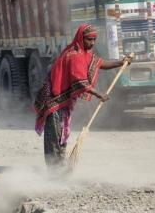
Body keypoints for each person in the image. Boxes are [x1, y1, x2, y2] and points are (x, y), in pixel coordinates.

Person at [34, 23, 132, 166]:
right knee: (54, 136)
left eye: (94, 40)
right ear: (81, 38)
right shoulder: (74, 55)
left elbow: (99, 63)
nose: (92, 43)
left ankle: (59, 166)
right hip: (54, 99)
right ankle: (54, 169)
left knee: (61, 135)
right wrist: (99, 94)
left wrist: (121, 62)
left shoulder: (84, 53)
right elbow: (80, 81)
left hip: (61, 100)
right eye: (88, 39)